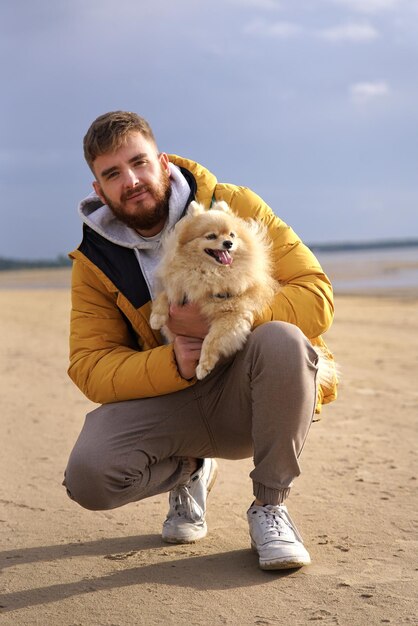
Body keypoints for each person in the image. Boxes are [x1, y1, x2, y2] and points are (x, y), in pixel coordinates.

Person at [63, 110, 337, 571]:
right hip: (175, 397)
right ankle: (190, 468)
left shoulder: (235, 207)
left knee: (285, 341)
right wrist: (175, 362)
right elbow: (89, 365)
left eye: (139, 163)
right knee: (89, 478)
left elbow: (316, 293)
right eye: (113, 174)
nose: (131, 180)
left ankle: (270, 506)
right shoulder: (94, 260)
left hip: (251, 391)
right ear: (99, 189)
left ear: (163, 162)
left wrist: (222, 321)